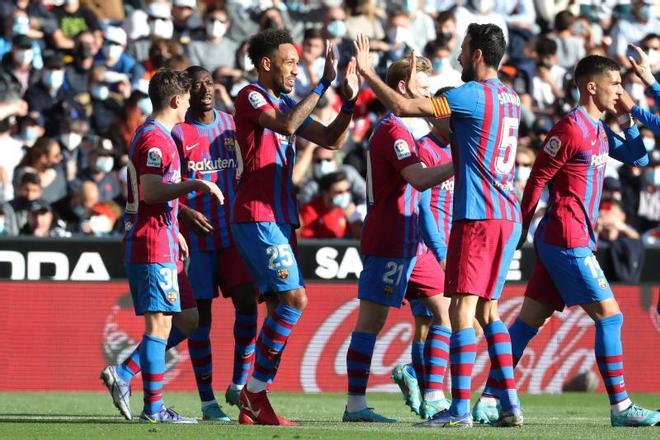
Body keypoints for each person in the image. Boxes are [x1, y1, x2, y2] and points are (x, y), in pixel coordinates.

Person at [352, 23, 524, 428]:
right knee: (489, 311)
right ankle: (509, 403)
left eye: (464, 50)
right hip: (508, 215)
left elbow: (407, 108)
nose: (461, 57)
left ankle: (459, 409)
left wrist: (368, 72)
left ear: (478, 54)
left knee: (460, 312)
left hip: (477, 215)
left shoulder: (468, 96)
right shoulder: (511, 97)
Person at [485, 55, 659, 427]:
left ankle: (487, 398)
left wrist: (628, 118)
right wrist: (520, 230)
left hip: (567, 236)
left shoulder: (596, 129)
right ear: (591, 87)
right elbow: (536, 182)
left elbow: (639, 158)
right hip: (567, 235)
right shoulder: (571, 129)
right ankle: (621, 407)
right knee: (611, 317)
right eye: (615, 85)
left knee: (529, 320)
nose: (621, 92)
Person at [231, 28, 359, 425]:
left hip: (281, 217)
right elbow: (287, 126)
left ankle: (256, 401)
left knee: (277, 308)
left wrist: (349, 104)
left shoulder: (286, 102)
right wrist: (322, 82)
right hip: (257, 215)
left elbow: (330, 141)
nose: (294, 70)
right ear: (266, 64)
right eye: (289, 63)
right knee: (295, 300)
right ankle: (251, 391)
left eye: (298, 64)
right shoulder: (250, 95)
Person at [100, 68, 222, 424]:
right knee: (159, 326)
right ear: (175, 100)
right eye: (185, 99)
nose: (189, 105)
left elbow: (149, 194)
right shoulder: (156, 138)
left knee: (187, 319)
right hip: (151, 242)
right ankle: (153, 409)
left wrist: (176, 225)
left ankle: (124, 373)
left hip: (164, 238)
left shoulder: (159, 135)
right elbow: (152, 190)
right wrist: (195, 186)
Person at [342, 55, 453, 424]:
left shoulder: (408, 132)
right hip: (389, 239)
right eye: (423, 88)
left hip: (413, 241)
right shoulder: (392, 130)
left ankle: (435, 397)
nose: (428, 96)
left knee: (447, 313)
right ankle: (355, 406)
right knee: (370, 323)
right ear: (403, 89)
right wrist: (465, 161)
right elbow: (419, 180)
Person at [171, 65, 261, 421]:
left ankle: (239, 384)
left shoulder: (229, 124)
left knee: (248, 306)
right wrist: (182, 212)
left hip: (232, 234)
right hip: (197, 238)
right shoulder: (178, 133)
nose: (204, 90)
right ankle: (207, 401)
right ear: (187, 93)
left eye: (208, 83)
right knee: (201, 320)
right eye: (196, 86)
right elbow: (162, 183)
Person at [391, 96, 454, 421]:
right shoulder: (424, 149)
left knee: (427, 323)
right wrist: (440, 252)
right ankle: (430, 388)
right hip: (428, 248)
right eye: (451, 117)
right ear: (435, 118)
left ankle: (422, 380)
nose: (456, 123)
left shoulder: (453, 150)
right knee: (452, 319)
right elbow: (423, 205)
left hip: (446, 248)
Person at [299, 170, 361, 239]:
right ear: (326, 192)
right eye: (339, 192)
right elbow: (305, 242)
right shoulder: (310, 210)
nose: (345, 195)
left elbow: (359, 239)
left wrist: (355, 221)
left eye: (347, 190)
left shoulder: (350, 209)